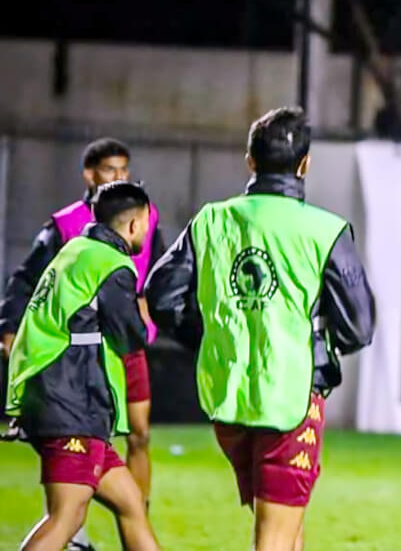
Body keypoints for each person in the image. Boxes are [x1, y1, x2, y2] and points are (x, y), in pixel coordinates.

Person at [146, 106, 376, 551]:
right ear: (305, 165)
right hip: (289, 400)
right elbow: (359, 327)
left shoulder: (211, 220)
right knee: (274, 536)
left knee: (287, 528)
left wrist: (209, 336)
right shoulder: (324, 231)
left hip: (230, 399)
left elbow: (160, 296)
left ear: (250, 161)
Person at [0, 138, 163, 530]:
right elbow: (27, 281)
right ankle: (74, 527)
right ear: (90, 174)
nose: (119, 175)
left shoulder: (87, 245)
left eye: (124, 168)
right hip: (74, 387)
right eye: (111, 168)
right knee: (66, 515)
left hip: (85, 378)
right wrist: (7, 325)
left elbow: (154, 270)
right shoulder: (76, 238)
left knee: (132, 503)